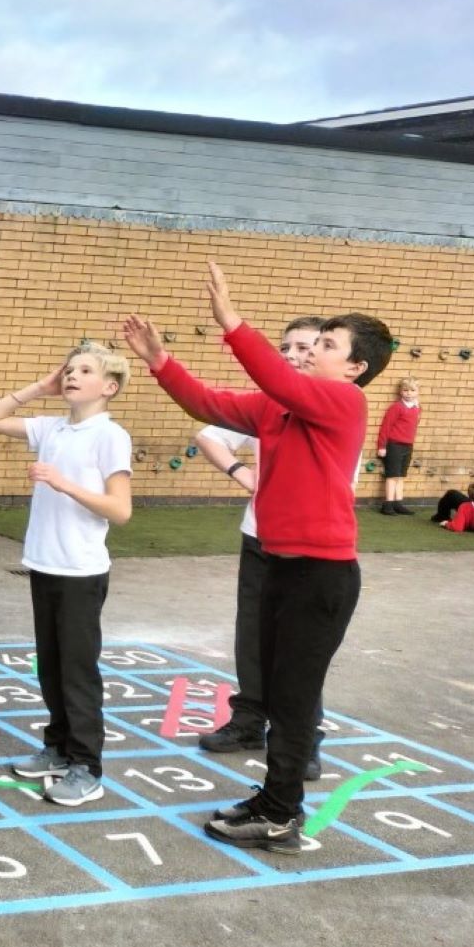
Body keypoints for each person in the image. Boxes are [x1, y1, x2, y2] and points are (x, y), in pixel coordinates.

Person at [123, 264, 393, 852]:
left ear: (355, 367)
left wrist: (232, 323)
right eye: (308, 342)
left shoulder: (344, 402)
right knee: (273, 691)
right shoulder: (279, 410)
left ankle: (281, 813)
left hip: (322, 577)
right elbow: (208, 403)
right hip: (278, 564)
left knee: (293, 702)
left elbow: (276, 376)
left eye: (324, 345)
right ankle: (273, 798)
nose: (307, 352)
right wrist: (159, 361)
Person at [0, 341, 133, 807]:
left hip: (81, 571)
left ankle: (88, 766)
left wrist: (63, 483)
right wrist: (37, 389)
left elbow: (120, 510)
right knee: (51, 667)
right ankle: (59, 749)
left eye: (84, 370)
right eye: (68, 370)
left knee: (77, 672)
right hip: (44, 564)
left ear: (109, 387)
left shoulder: (110, 435)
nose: (71, 376)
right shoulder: (51, 428)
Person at [193, 318, 329, 779]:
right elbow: (208, 433)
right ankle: (250, 720)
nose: (292, 354)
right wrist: (240, 472)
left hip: (309, 547)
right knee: (251, 635)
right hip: (259, 537)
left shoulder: (334, 407)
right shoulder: (271, 404)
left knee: (299, 647)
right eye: (285, 346)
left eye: (307, 346)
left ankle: (305, 736)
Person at [375, 378, 421, 514]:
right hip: (394, 445)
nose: (408, 393)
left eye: (412, 390)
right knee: (392, 475)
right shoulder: (397, 407)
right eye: (405, 390)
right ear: (401, 392)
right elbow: (386, 427)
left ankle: (398, 503)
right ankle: (388, 504)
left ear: (418, 392)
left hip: (408, 446)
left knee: (401, 476)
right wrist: (382, 446)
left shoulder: (417, 408)